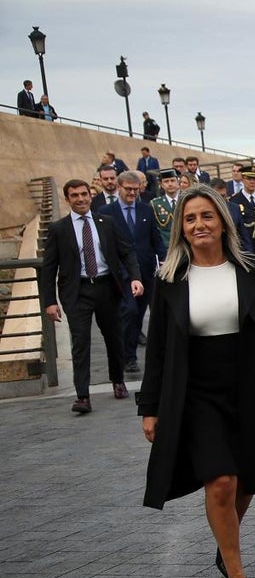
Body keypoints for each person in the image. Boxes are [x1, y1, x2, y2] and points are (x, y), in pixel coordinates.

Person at [139, 183, 255, 578]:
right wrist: (149, 406)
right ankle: (237, 576)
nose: (199, 225)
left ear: (222, 221)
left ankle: (224, 541)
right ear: (181, 228)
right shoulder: (170, 279)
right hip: (196, 392)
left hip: (249, 384)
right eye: (190, 219)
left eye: (206, 216)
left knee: (250, 478)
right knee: (222, 482)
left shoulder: (251, 270)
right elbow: (157, 349)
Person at [38, 179, 144, 414]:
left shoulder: (107, 222)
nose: (81, 199)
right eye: (74, 195)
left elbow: (126, 251)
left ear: (90, 195)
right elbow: (49, 268)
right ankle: (82, 396)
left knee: (114, 338)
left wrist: (135, 278)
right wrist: (49, 302)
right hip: (78, 292)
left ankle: (117, 381)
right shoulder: (58, 229)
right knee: (80, 341)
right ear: (67, 200)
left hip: (107, 287)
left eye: (84, 194)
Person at [100, 172, 166, 374]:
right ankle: (125, 355)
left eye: (135, 189)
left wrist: (164, 260)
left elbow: (155, 239)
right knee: (129, 311)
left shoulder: (146, 210)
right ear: (119, 187)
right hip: (121, 273)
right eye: (128, 189)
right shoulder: (106, 212)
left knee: (138, 316)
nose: (132, 193)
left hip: (145, 271)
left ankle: (129, 355)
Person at [151, 169, 180, 248]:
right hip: (166, 246)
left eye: (172, 181)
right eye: (166, 181)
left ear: (178, 182)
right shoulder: (155, 204)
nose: (170, 184)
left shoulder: (186, 200)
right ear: (161, 184)